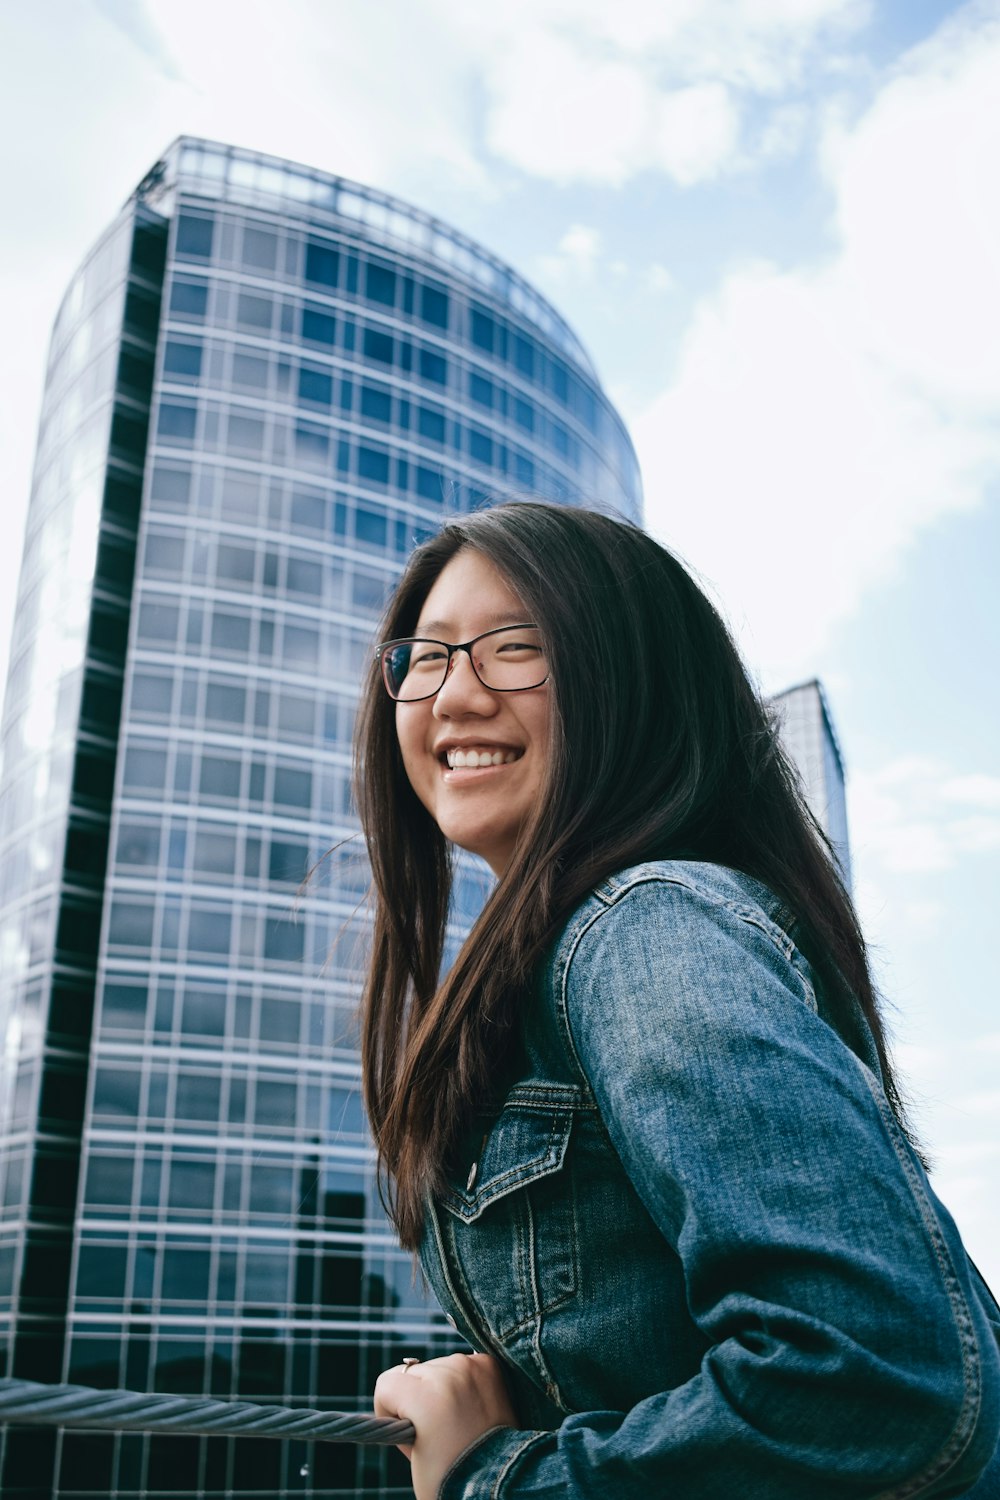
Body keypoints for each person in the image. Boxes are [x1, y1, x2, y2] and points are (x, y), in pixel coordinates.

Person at [354, 501, 1000, 1499]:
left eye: (515, 649)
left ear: (634, 684)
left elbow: (874, 1379)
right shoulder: (556, 967)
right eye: (425, 657)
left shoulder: (648, 929)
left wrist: (494, 1478)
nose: (452, 697)